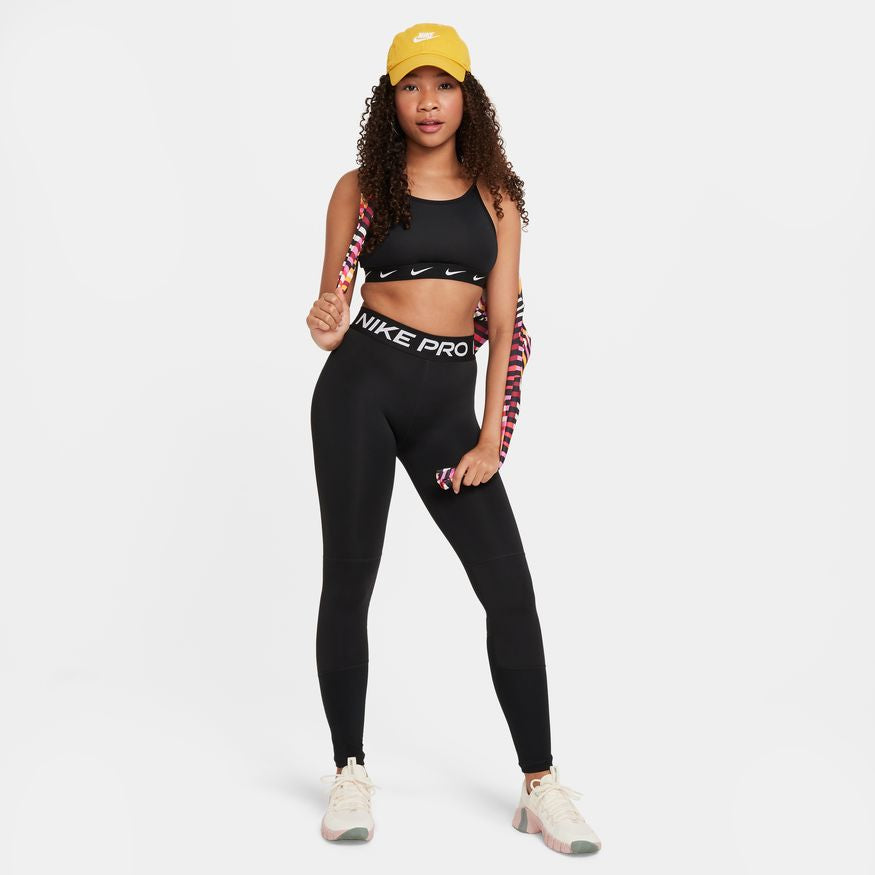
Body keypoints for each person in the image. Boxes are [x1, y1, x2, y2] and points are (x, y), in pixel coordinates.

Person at [307, 22, 602, 855]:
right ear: (390, 99)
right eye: (410, 85)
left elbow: (504, 329)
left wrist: (489, 441)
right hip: (361, 389)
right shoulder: (361, 187)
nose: (427, 101)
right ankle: (349, 769)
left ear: (467, 97)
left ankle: (540, 784)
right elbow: (330, 310)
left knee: (508, 589)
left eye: (442, 85)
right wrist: (324, 324)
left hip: (446, 407)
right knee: (350, 578)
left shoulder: (497, 196)